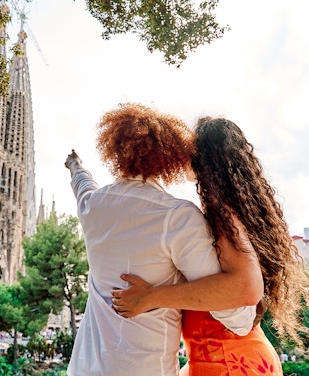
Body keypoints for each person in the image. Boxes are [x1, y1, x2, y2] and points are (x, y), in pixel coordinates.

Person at [64, 103, 256, 376]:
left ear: (116, 150)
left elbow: (82, 184)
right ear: (170, 157)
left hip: (83, 368)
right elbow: (232, 310)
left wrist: (75, 165)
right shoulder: (177, 217)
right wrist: (245, 318)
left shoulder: (93, 206)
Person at [111, 116, 309, 375]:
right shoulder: (233, 214)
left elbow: (244, 288)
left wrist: (150, 297)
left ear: (202, 159)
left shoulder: (223, 216)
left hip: (233, 364)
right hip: (234, 361)